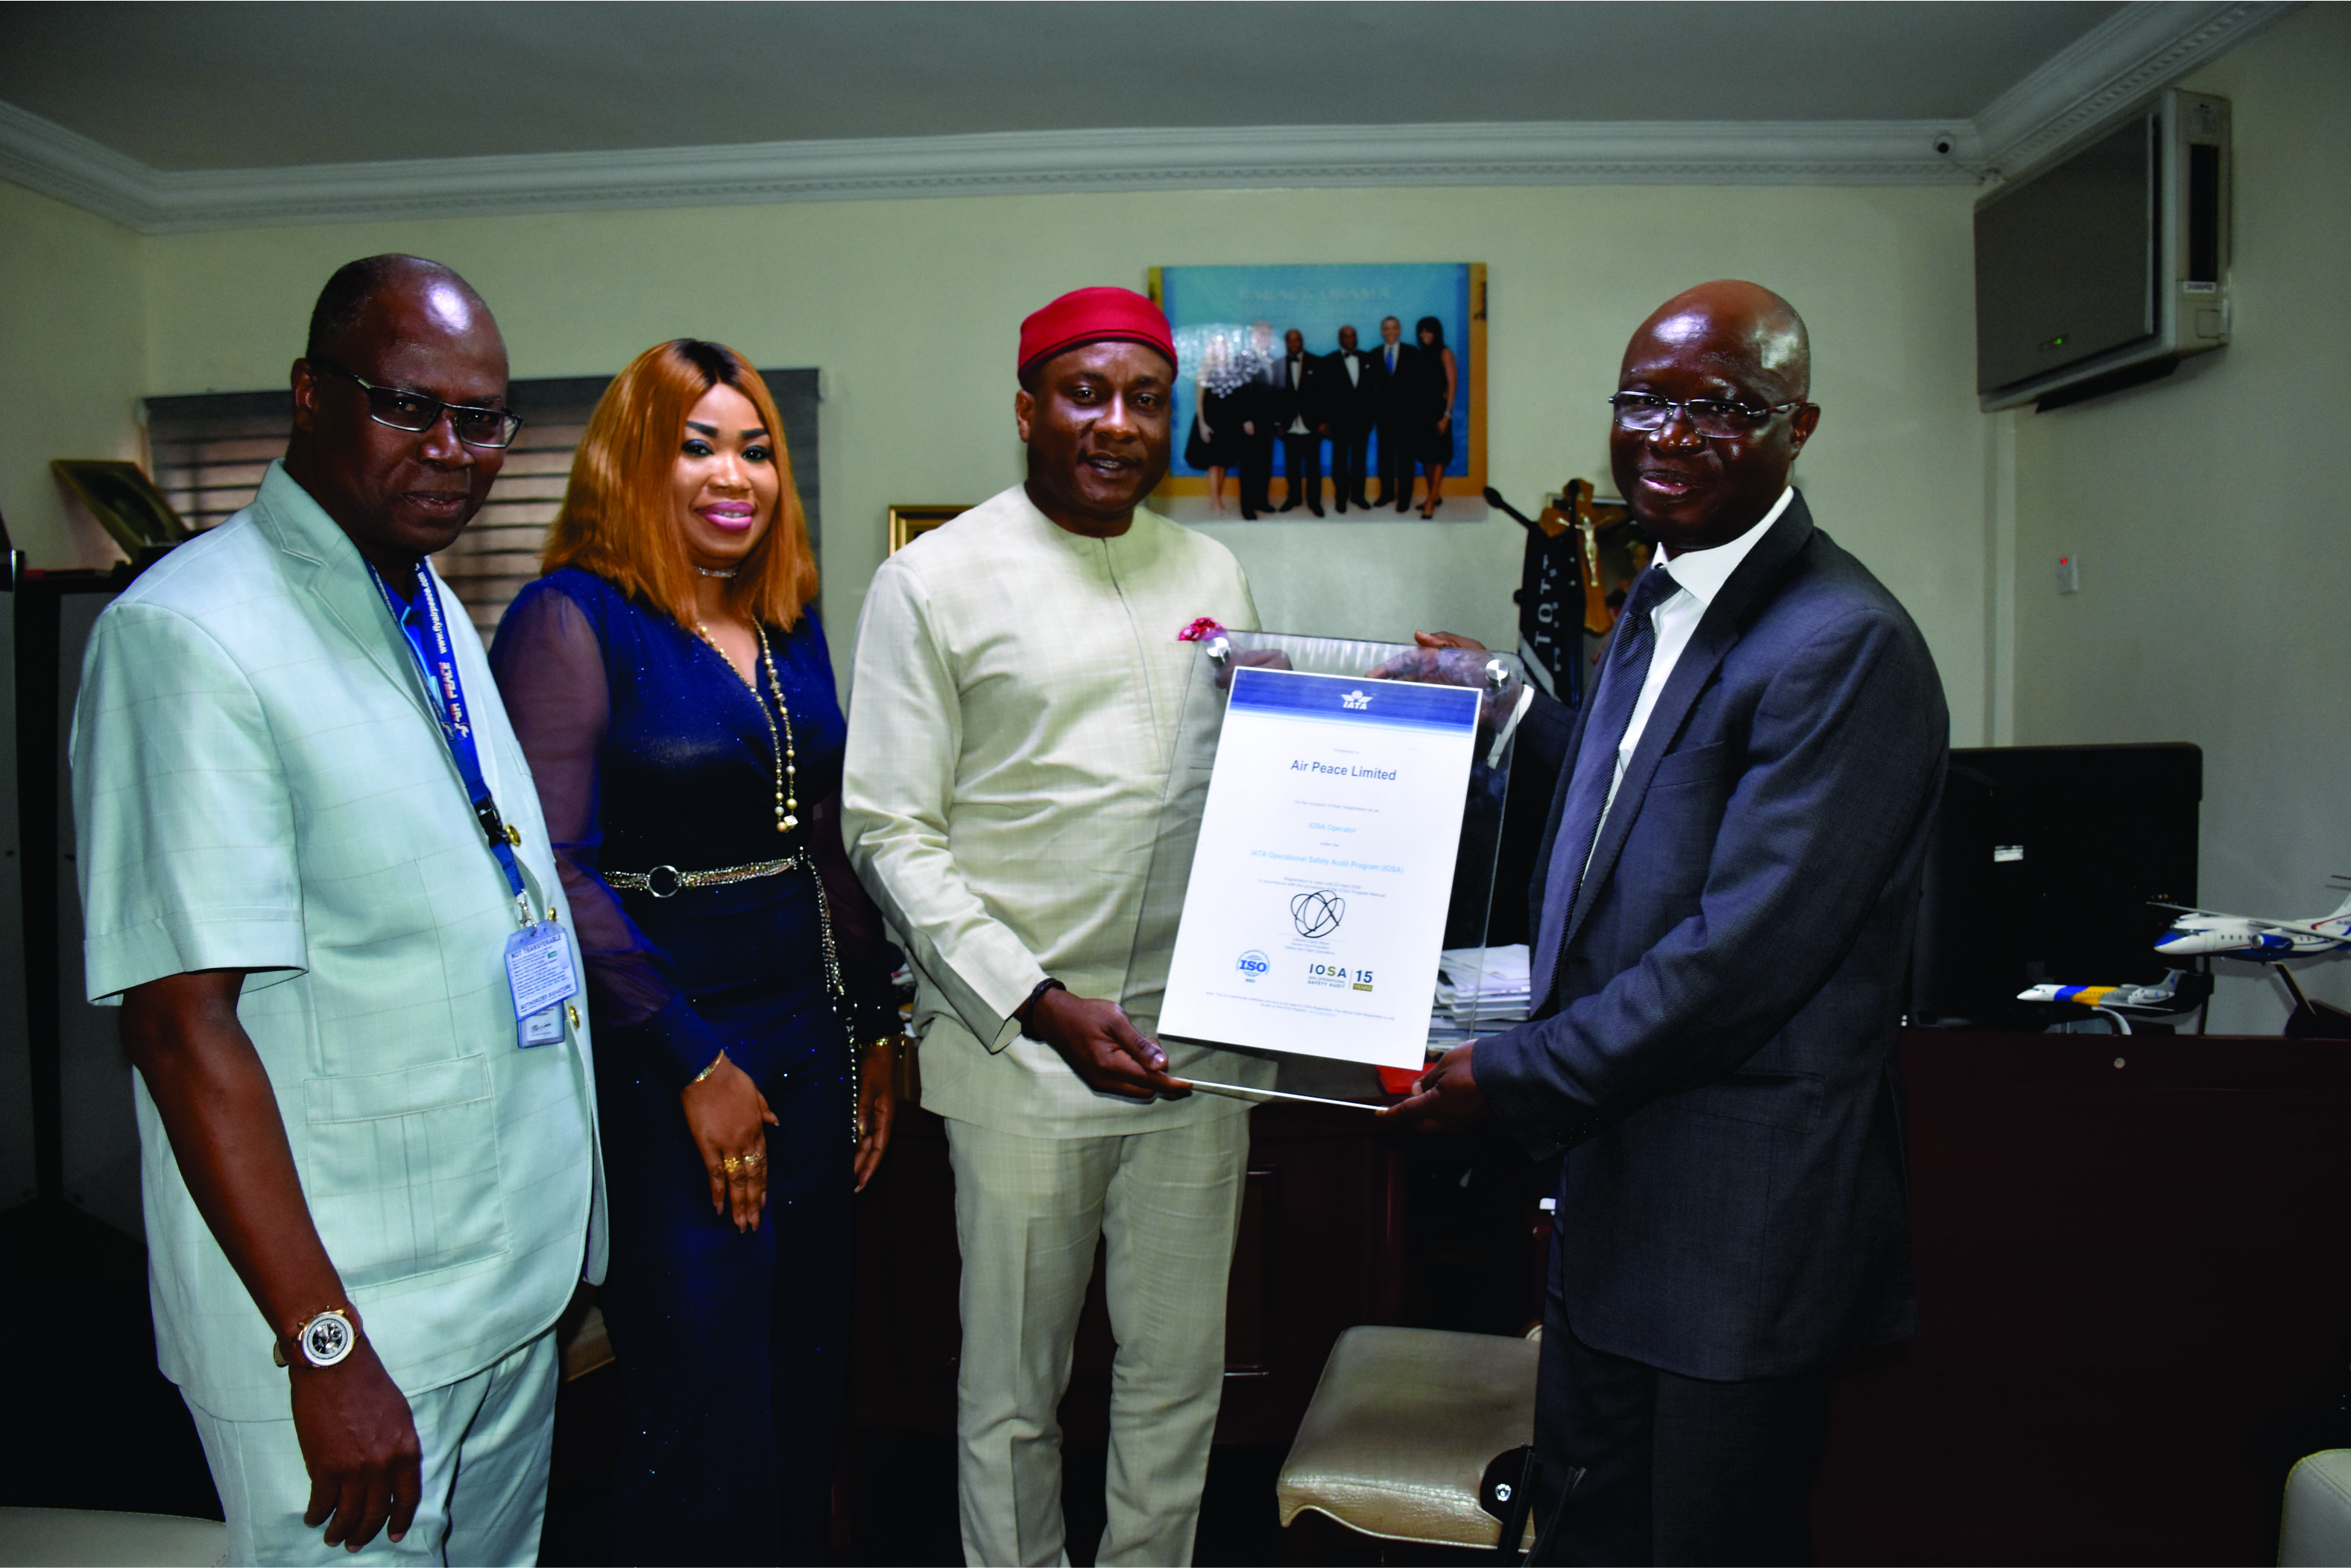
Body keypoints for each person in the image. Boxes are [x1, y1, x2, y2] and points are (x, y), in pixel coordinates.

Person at [1383, 280, 1948, 1564]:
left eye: (1718, 407)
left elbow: (1736, 959)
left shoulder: (1838, 643)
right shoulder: (1656, 598)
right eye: (1642, 400)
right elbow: (1622, 816)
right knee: (1590, 1529)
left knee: (1702, 1541)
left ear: (1794, 426)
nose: (1668, 433)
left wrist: (1504, 1074)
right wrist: (1505, 711)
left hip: (1733, 1226)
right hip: (1614, 1197)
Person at [70, 254, 602, 1565]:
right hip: (352, 1330)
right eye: (405, 405)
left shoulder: (425, 603)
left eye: (482, 419)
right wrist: (326, 1345)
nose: (452, 450)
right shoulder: (192, 636)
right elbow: (182, 1027)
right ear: (309, 396)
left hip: (498, 1290)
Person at [843, 285, 1274, 1567]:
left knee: (1172, 1376)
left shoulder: (1211, 569)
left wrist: (1412, 710)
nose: (1116, 423)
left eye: (1145, 399)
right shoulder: (930, 582)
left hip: (1194, 1046)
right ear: (1027, 405)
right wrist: (1035, 1001)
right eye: (1085, 392)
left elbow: (1251, 779)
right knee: (1013, 1396)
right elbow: (885, 832)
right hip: (1022, 1051)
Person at [488, 339, 899, 1565]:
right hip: (665, 1057)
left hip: (808, 1036)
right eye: (699, 442)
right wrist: (691, 1059)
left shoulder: (780, 616)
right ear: (633, 460)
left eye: (757, 446)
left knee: (801, 1383)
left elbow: (821, 833)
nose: (737, 472)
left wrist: (875, 1025)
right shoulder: (571, 615)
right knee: (701, 1400)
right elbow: (550, 865)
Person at [1184, 332, 1248, 515]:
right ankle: (1215, 502)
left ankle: (1217, 498)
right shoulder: (1204, 370)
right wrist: (1203, 424)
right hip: (1210, 421)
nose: (1221, 350)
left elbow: (1235, 398)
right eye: (1217, 346)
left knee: (1222, 463)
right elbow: (1199, 400)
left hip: (1227, 423)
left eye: (1224, 346)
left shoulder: (1232, 371)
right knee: (1213, 463)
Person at [1365, 314, 1421, 511]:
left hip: (1407, 417)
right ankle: (1387, 494)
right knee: (1385, 456)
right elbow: (1370, 388)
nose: (1390, 331)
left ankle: (1404, 498)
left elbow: (1418, 386)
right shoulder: (1373, 354)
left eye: (1394, 327)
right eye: (1386, 328)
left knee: (1406, 458)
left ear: (1399, 330)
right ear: (1382, 331)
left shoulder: (1412, 353)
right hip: (1383, 417)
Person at [1272, 326, 1328, 514]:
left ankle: (1314, 502)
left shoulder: (1318, 363)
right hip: (1288, 426)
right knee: (1292, 467)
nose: (1294, 344)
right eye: (1290, 340)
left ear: (1302, 342)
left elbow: (1324, 396)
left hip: (1312, 425)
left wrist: (1323, 421)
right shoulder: (1277, 365)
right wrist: (1278, 423)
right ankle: (1293, 498)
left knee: (1313, 467)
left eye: (1297, 340)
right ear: (1286, 343)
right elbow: (1276, 398)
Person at [1410, 315, 1462, 517]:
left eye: (1428, 331)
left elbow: (1453, 386)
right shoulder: (1421, 354)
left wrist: (1446, 416)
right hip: (1422, 412)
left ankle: (1431, 501)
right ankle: (1434, 495)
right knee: (1427, 458)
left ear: (1436, 332)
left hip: (1439, 412)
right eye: (1422, 331)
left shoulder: (1445, 353)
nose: (1425, 335)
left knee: (1439, 456)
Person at [1325, 324, 1378, 512]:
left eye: (1352, 336)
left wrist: (1371, 417)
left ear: (1356, 338)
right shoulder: (1329, 361)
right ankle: (1341, 499)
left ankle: (1358, 496)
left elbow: (1373, 392)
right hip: (1339, 422)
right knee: (1339, 462)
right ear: (1339, 339)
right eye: (1345, 336)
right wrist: (1327, 422)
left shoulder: (1367, 358)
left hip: (1362, 421)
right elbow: (1325, 395)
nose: (1349, 339)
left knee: (1359, 461)